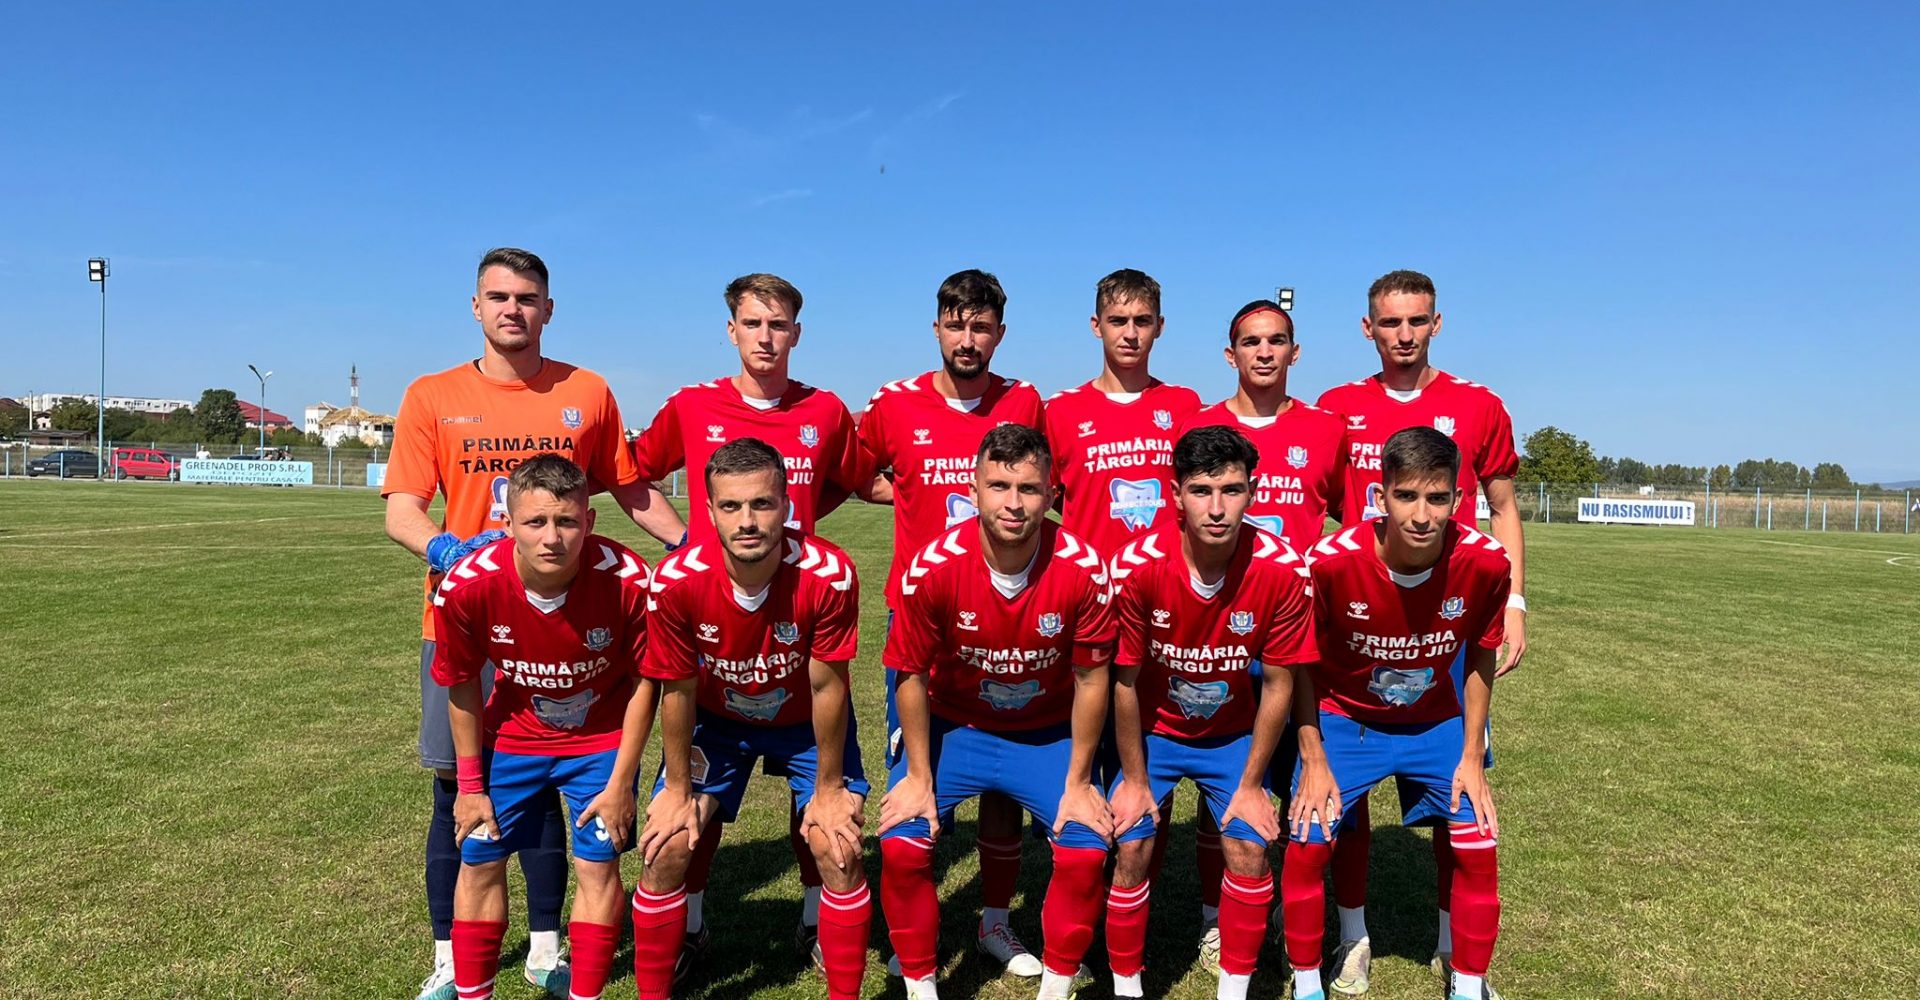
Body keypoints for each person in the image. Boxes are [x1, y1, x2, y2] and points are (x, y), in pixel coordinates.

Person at [382, 247, 685, 1000]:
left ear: (548, 309)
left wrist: (692, 552)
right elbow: (402, 510)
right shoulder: (432, 394)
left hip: (570, 620)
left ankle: (547, 945)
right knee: (460, 788)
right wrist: (445, 549)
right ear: (476, 307)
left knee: (557, 778)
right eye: (498, 297)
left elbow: (630, 490)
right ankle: (451, 956)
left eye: (526, 298)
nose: (512, 309)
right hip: (468, 617)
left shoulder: (587, 391)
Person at [627, 273, 869, 971]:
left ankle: (816, 922)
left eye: (779, 324)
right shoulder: (693, 404)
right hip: (718, 638)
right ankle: (690, 927)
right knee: (684, 824)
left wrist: (800, 528)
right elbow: (632, 473)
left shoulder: (825, 410)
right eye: (753, 323)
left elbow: (856, 479)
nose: (766, 337)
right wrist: (685, 542)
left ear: (797, 333)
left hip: (792, 625)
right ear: (731, 330)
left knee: (821, 818)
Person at [1313, 269, 1526, 996]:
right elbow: (1314, 504)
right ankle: (1352, 938)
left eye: (1417, 320)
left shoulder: (1478, 404)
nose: (1404, 334)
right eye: (1390, 322)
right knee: (1343, 801)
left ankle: (1450, 945)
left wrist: (1515, 601)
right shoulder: (1337, 407)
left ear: (1437, 323)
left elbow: (1503, 504)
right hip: (1362, 622)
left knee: (1457, 798)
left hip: (1447, 619)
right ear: (1367, 328)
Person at [877, 424, 1116, 1000]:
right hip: (956, 727)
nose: (1013, 503)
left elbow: (1092, 678)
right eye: (999, 486)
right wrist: (917, 776)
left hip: (1045, 732)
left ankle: (1050, 980)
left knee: (1086, 847)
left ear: (1051, 493)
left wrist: (1080, 781)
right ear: (974, 489)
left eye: (1029, 488)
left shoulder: (1084, 567)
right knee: (902, 841)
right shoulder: (932, 566)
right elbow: (910, 674)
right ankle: (921, 985)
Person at [857, 269, 1047, 976]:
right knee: (917, 777)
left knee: (1001, 780)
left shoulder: (1024, 400)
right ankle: (917, 932)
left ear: (999, 332)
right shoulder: (894, 402)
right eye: (956, 324)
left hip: (1005, 619)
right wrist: (910, 489)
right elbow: (858, 474)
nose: (968, 339)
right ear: (937, 326)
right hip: (923, 624)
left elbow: (1038, 483)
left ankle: (995, 922)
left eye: (981, 327)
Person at [1279, 426, 1510, 1000]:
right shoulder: (1329, 564)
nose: (1422, 515)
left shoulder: (1486, 563)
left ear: (1459, 500)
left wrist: (1472, 755)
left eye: (1437, 498)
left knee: (1479, 843)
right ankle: (1307, 984)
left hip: (1435, 724)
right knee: (1308, 840)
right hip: (1345, 722)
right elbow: (1300, 662)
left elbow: (1481, 657)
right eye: (1406, 496)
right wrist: (1312, 755)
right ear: (1380, 497)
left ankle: (1469, 985)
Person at [1042, 268, 1230, 965]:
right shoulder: (1061, 411)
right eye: (1117, 321)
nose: (1130, 334)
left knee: (1157, 754)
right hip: (1089, 613)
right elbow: (1036, 503)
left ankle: (1167, 902)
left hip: (1168, 614)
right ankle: (1084, 904)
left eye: (1142, 321)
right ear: (1096, 326)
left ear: (1159, 327)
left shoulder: (1184, 406)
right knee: (1085, 759)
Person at [1102, 426, 1317, 1000]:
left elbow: (1279, 683)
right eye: (1201, 490)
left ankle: (1233, 989)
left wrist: (1251, 784)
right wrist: (1135, 781)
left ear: (1253, 492)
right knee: (1133, 841)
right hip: (1155, 734)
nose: (1217, 508)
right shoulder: (1135, 566)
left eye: (1232, 490)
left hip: (1232, 738)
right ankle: (1126, 987)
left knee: (1249, 842)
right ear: (1175, 494)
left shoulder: (1283, 568)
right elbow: (1124, 683)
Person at [429, 454, 655, 1000]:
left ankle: (585, 994)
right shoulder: (466, 585)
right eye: (535, 522)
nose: (552, 537)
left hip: (600, 744)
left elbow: (648, 681)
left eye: (567, 521)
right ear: (507, 523)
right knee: (480, 861)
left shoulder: (629, 581)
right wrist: (470, 787)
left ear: (589, 521)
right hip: (510, 740)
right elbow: (461, 685)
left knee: (598, 866)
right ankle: (473, 993)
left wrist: (622, 783)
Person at [1180, 299, 1347, 552]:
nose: (1265, 353)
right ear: (1231, 356)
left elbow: (1349, 511)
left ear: (1294, 353)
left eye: (1277, 341)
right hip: (1222, 578)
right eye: (1251, 342)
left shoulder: (1328, 428)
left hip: (1297, 577)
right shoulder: (1197, 426)